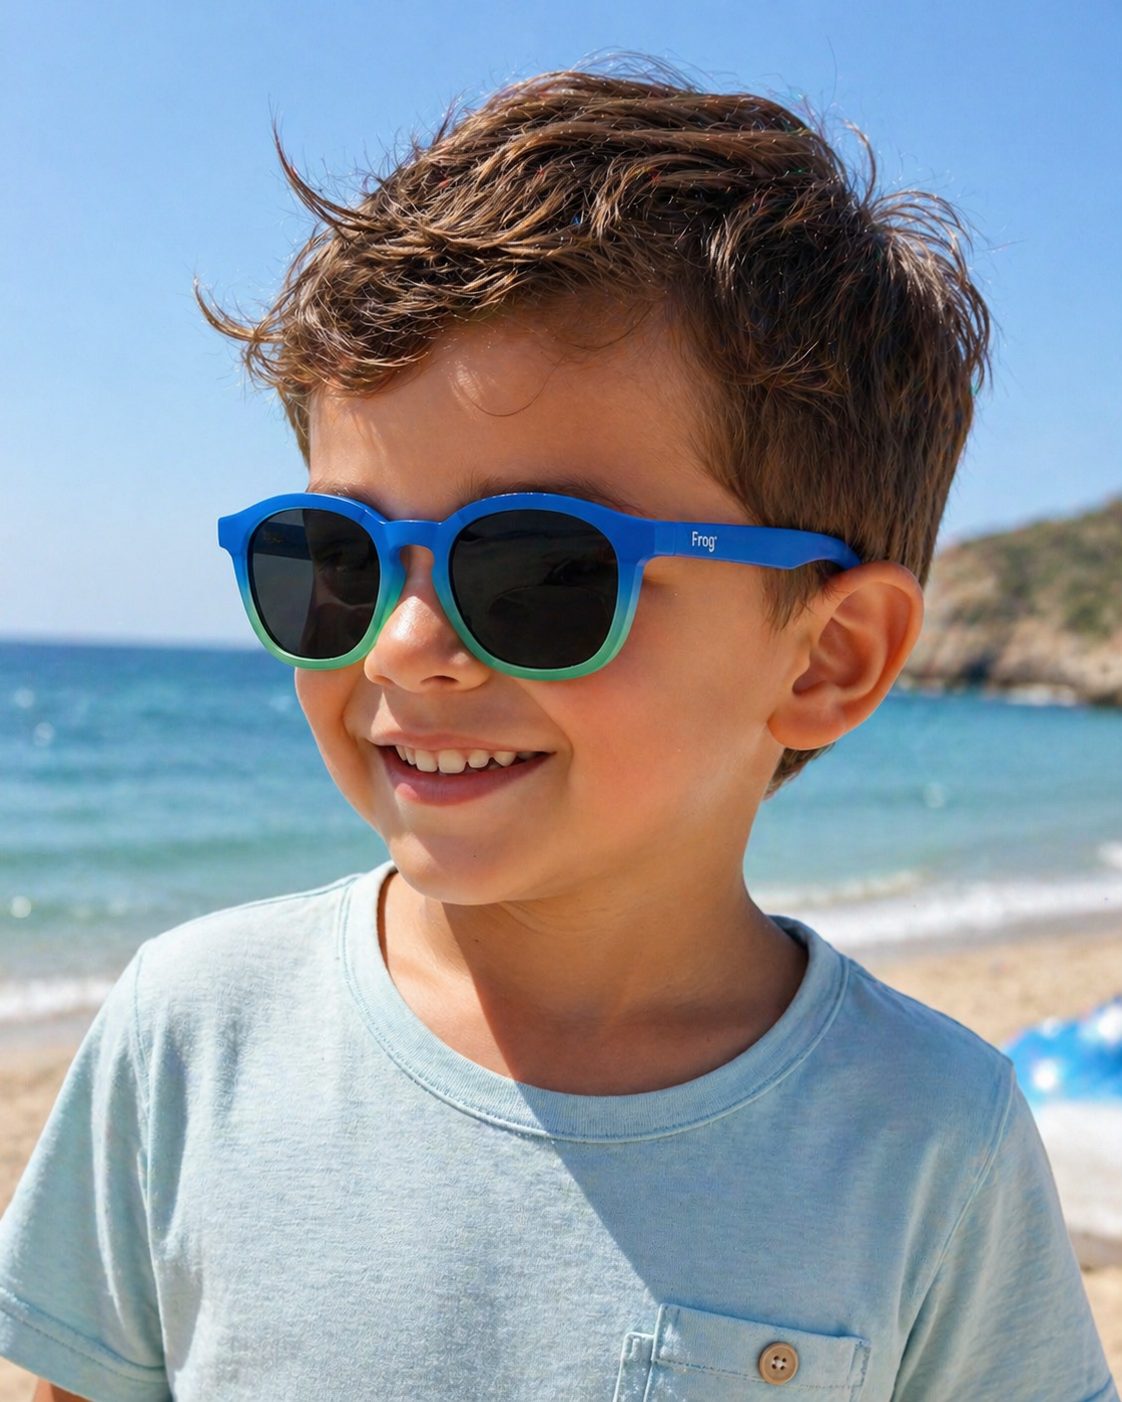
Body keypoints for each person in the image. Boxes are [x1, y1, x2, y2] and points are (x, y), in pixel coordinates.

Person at [0, 68, 1114, 1402]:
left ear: (826, 657)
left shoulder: (930, 1138)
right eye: (337, 558)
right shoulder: (187, 1035)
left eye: (537, 571)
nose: (400, 645)